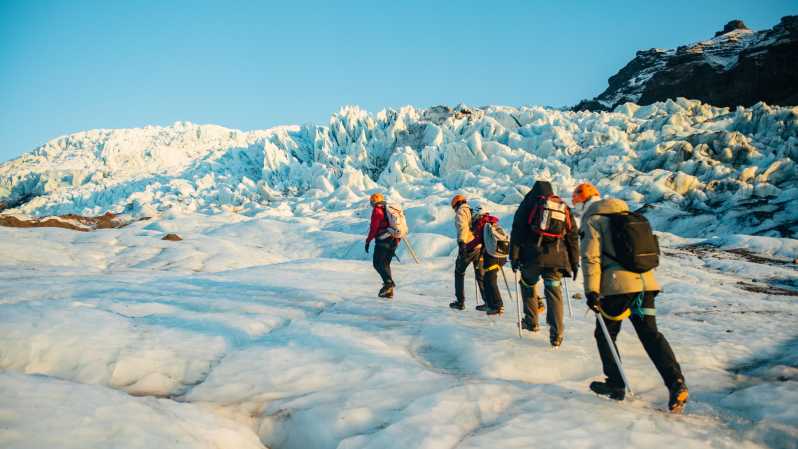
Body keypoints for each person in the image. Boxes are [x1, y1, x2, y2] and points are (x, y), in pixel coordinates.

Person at [573, 182, 689, 413]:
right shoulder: (629, 216)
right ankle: (676, 383)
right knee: (650, 335)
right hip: (646, 286)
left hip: (617, 287)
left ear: (584, 203)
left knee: (605, 334)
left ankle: (616, 384)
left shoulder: (593, 221)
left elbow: (591, 258)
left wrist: (591, 292)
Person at [509, 180, 579, 347]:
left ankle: (532, 322)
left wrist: (514, 257)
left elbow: (517, 232)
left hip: (532, 257)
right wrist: (574, 261)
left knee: (527, 284)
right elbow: (573, 235)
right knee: (554, 291)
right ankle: (557, 335)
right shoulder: (562, 206)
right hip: (556, 259)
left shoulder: (528, 204)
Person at [449, 194, 485, 310]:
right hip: (479, 246)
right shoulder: (470, 210)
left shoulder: (461, 211)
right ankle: (488, 301)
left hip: (469, 246)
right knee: (480, 275)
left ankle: (460, 302)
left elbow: (463, 227)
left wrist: (462, 243)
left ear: (456, 204)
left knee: (459, 272)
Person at [471, 204, 505, 315]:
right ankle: (491, 305)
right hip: (501, 255)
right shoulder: (493, 223)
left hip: (492, 256)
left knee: (490, 280)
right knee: (487, 280)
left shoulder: (482, 223)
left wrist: (467, 247)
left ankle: (497, 305)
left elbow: (478, 240)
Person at [365, 192, 398, 298]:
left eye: (371, 202)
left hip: (383, 241)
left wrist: (368, 241)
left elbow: (374, 228)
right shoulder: (387, 209)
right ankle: (389, 291)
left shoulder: (377, 210)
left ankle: (388, 284)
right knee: (385, 264)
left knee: (377, 263)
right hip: (394, 240)